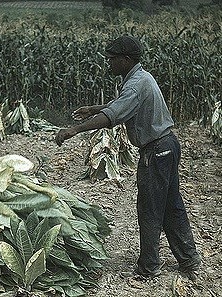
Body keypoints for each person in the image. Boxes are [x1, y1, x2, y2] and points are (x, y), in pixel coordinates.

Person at [55, 35, 201, 280]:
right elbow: (121, 105)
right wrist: (94, 108)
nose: (108, 64)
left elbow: (113, 115)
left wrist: (74, 130)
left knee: (150, 209)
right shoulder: (141, 78)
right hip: (167, 145)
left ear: (125, 59)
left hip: (156, 151)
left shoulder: (134, 84)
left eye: (112, 59)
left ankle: (149, 267)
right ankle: (188, 258)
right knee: (170, 205)